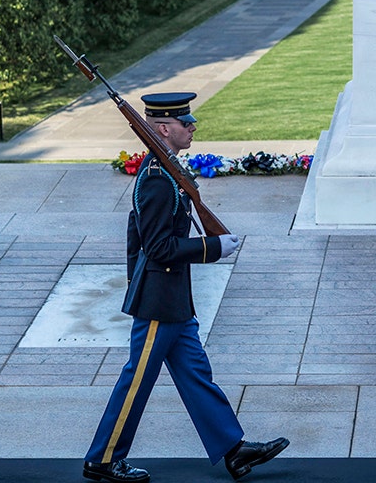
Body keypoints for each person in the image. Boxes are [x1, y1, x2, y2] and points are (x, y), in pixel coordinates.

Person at [83, 92, 288, 483]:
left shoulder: (166, 170)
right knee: (137, 380)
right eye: (185, 122)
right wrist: (211, 247)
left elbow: (134, 233)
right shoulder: (159, 180)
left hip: (172, 298)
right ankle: (103, 459)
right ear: (163, 128)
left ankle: (232, 449)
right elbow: (157, 245)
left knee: (196, 373)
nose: (192, 126)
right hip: (159, 302)